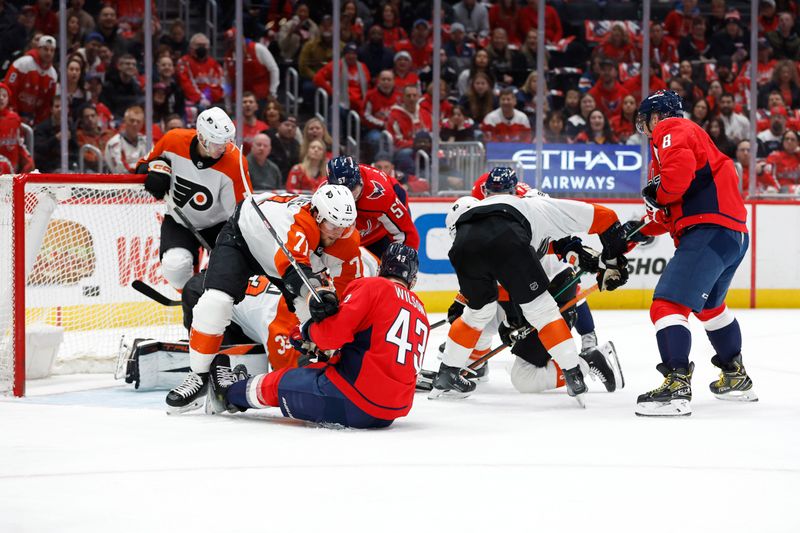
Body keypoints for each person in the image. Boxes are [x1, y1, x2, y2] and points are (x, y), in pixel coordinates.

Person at [430, 167, 631, 403]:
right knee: (540, 315)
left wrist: (466, 299)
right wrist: (613, 262)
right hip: (519, 285)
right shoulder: (535, 206)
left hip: (538, 284)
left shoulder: (468, 209)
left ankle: (449, 371)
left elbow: (481, 250)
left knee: (477, 314)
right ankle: (572, 371)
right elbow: (600, 219)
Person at [166, 184, 357, 413]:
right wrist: (317, 293)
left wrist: (328, 297)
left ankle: (330, 372)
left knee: (318, 317)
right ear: (316, 215)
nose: (338, 232)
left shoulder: (346, 236)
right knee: (215, 303)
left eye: (344, 226)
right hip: (244, 238)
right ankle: (198, 376)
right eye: (333, 225)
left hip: (286, 257)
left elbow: (340, 283)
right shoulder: (298, 223)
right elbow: (293, 270)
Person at [206, 243, 428, 429]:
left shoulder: (374, 287)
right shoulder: (421, 311)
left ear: (382, 268)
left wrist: (307, 331)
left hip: (353, 401)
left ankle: (228, 394)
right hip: (390, 413)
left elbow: (332, 335)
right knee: (316, 371)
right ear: (413, 280)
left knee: (279, 382)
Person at [633, 90, 756, 417]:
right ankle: (735, 377)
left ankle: (676, 385)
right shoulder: (687, 140)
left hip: (708, 230)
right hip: (730, 236)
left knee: (666, 304)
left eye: (647, 121)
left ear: (657, 115)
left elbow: (675, 179)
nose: (646, 129)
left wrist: (658, 193)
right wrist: (632, 234)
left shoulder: (671, 129)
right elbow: (667, 213)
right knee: (712, 308)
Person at [134, 107, 253, 291]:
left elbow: (241, 214)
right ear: (202, 138)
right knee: (175, 265)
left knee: (233, 269)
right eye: (217, 143)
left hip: (219, 225)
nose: (223, 148)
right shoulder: (173, 140)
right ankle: (189, 296)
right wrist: (155, 171)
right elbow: (142, 165)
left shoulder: (235, 162)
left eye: (226, 142)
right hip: (179, 220)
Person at [327, 155, 420, 256]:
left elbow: (408, 235)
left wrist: (402, 263)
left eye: (351, 189)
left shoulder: (382, 195)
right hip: (353, 234)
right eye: (342, 192)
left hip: (382, 232)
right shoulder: (324, 196)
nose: (348, 196)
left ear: (360, 181)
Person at [3, 34, 58, 126]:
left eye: (52, 50)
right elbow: (8, 90)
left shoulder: (53, 75)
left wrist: (38, 123)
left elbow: (47, 104)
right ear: (38, 48)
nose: (48, 53)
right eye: (45, 49)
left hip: (32, 121)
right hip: (13, 114)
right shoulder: (22, 64)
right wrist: (13, 115)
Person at [176, 33, 224, 111]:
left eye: (204, 45)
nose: (201, 48)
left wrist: (210, 97)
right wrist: (200, 98)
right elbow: (185, 84)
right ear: (191, 47)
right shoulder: (183, 62)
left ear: (208, 47)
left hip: (213, 102)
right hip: (192, 103)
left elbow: (220, 83)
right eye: (198, 45)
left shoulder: (214, 64)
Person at [0, 82, 34, 173]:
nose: (1, 98)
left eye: (4, 95)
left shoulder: (14, 118)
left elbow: (19, 143)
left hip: (11, 172)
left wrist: (27, 160)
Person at [104, 105, 147, 173]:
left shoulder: (146, 142)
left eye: (138, 121)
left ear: (142, 124)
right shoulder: (114, 143)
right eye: (132, 120)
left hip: (143, 181)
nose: (135, 124)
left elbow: (152, 164)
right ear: (125, 121)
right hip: (120, 182)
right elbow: (121, 170)